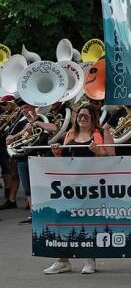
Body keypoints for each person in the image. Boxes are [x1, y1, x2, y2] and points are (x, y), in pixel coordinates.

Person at [44, 104, 114, 275]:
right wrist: (58, 153)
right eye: (80, 115)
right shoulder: (70, 134)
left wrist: (99, 152)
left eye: (86, 116)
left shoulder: (102, 134)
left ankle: (90, 259)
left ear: (93, 118)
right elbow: (65, 160)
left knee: (87, 222)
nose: (82, 118)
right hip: (69, 186)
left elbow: (113, 159)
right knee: (62, 221)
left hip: (92, 187)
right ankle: (62, 260)